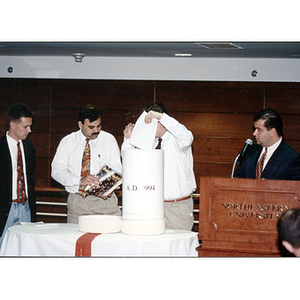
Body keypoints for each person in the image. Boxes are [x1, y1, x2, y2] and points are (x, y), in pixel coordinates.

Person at [121, 102, 196, 230]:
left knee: (177, 247)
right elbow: (130, 166)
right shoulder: (148, 144)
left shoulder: (177, 140)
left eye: (149, 122)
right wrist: (128, 140)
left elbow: (187, 136)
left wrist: (161, 117)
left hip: (177, 207)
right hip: (152, 206)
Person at [51, 104, 122, 223]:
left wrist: (109, 187)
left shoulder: (109, 140)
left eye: (99, 126)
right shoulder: (67, 142)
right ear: (80, 125)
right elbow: (57, 172)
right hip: (78, 203)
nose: (96, 130)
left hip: (105, 204)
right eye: (91, 127)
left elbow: (117, 169)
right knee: (75, 240)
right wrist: (79, 180)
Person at [0, 103, 36, 247]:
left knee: (24, 248)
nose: (30, 130)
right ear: (12, 125)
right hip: (4, 208)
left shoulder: (29, 149)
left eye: (30, 125)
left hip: (25, 206)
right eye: (25, 126)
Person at [234, 108, 300, 180]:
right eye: (254, 129)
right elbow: (238, 178)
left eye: (259, 130)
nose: (254, 133)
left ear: (272, 132)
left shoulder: (292, 158)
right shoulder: (250, 150)